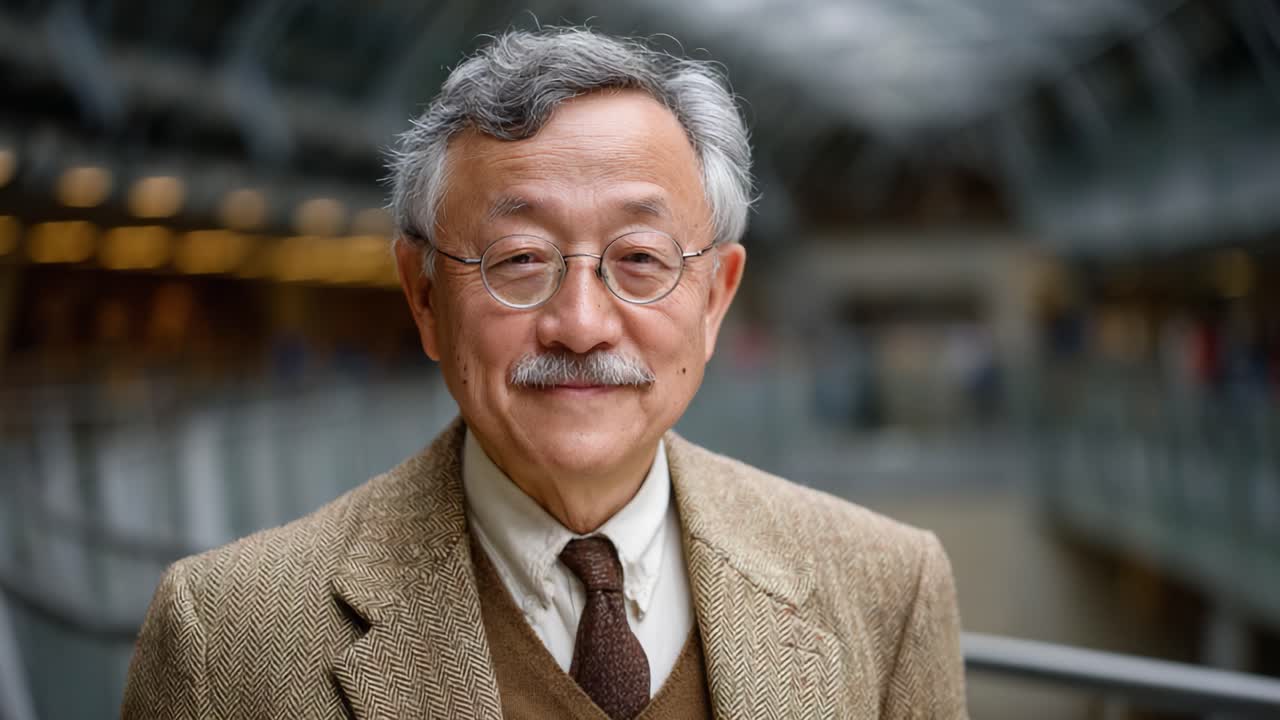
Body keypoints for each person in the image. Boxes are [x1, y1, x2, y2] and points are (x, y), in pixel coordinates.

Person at [123, 26, 967, 719]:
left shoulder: (886, 591)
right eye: (520, 259)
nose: (582, 324)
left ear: (715, 298)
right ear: (423, 297)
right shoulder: (228, 640)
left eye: (640, 259)